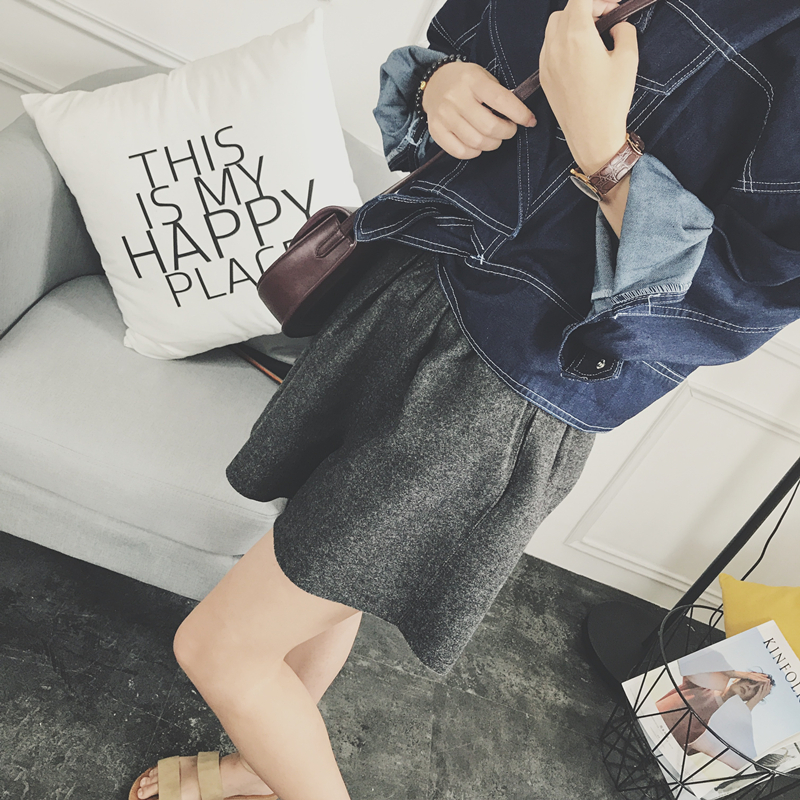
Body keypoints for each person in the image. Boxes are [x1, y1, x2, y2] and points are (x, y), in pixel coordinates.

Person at [130, 0, 800, 797]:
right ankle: (257, 767)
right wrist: (441, 86)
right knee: (321, 564)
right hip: (412, 286)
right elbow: (462, 39)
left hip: (501, 390)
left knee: (217, 649)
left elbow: (745, 295)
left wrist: (606, 150)